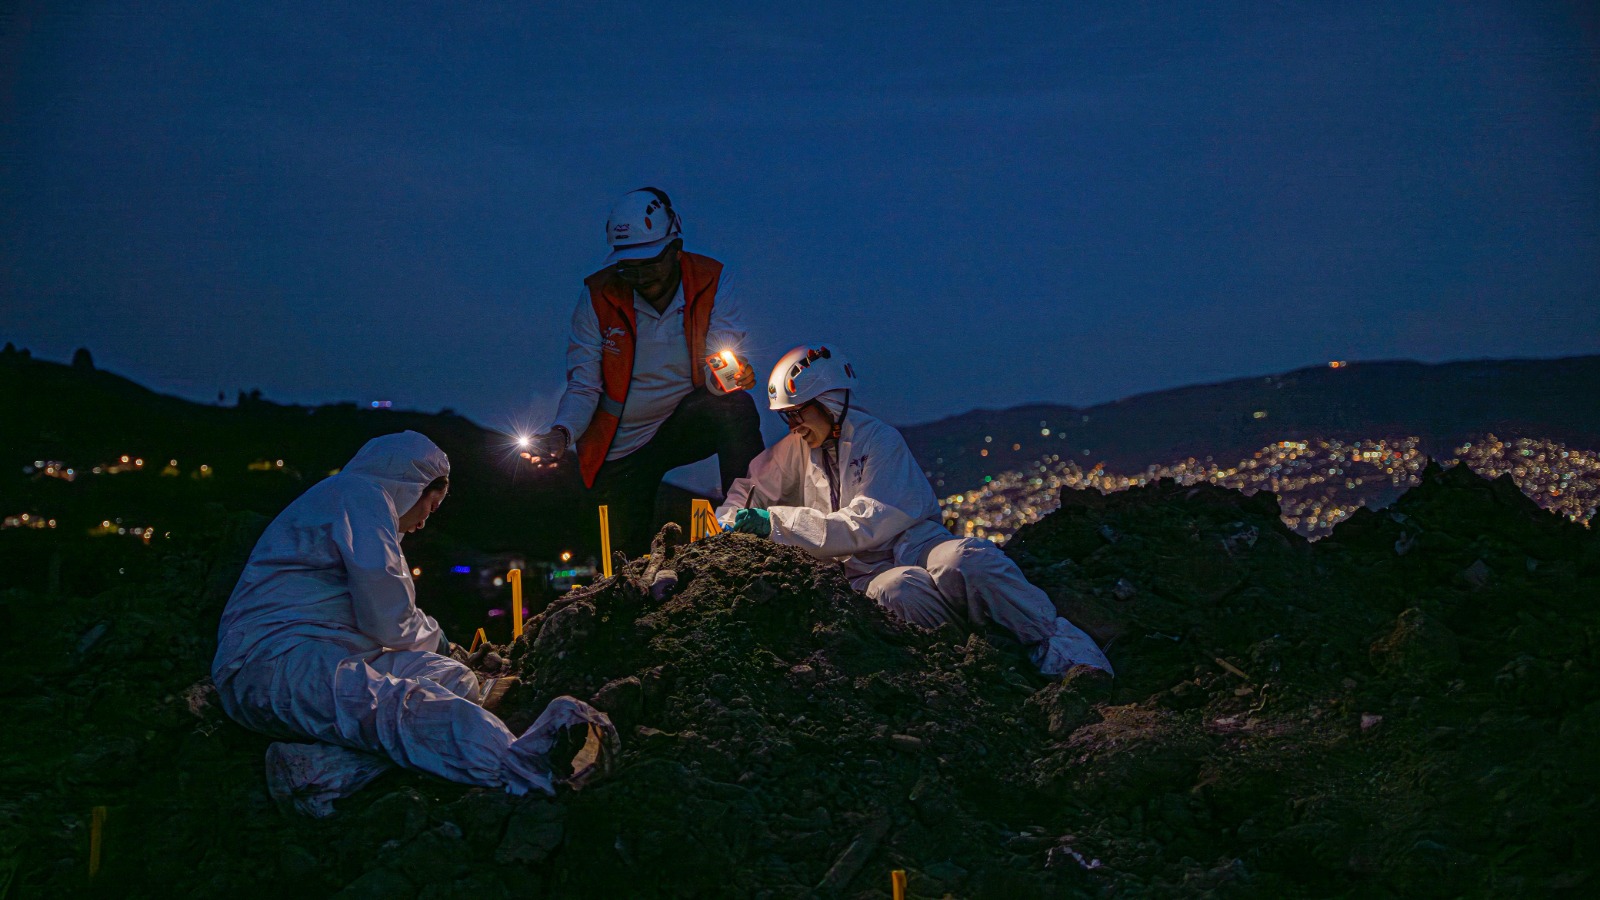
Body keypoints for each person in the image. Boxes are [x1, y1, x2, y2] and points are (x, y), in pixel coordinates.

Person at [211, 431, 616, 817]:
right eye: (430, 507)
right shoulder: (360, 497)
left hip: (326, 649)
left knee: (452, 679)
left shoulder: (353, 502)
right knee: (399, 706)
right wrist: (437, 639)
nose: (425, 522)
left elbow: (381, 614)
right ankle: (523, 769)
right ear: (411, 488)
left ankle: (318, 772)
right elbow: (387, 615)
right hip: (273, 663)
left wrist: (439, 650)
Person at [716, 344, 1113, 677]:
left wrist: (776, 523)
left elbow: (864, 523)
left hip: (915, 543)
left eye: (798, 412)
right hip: (865, 571)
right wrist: (731, 520)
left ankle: (1065, 656)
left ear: (830, 401)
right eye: (787, 416)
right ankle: (981, 668)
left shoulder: (878, 441)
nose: (792, 424)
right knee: (896, 591)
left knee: (967, 560)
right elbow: (750, 489)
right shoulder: (796, 449)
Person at [529, 187, 765, 557]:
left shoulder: (711, 279)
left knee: (735, 407)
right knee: (622, 558)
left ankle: (747, 528)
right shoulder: (598, 296)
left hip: (681, 423)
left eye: (650, 262)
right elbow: (584, 385)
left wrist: (732, 379)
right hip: (621, 448)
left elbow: (719, 368)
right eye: (629, 266)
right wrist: (562, 433)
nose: (640, 276)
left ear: (675, 248)